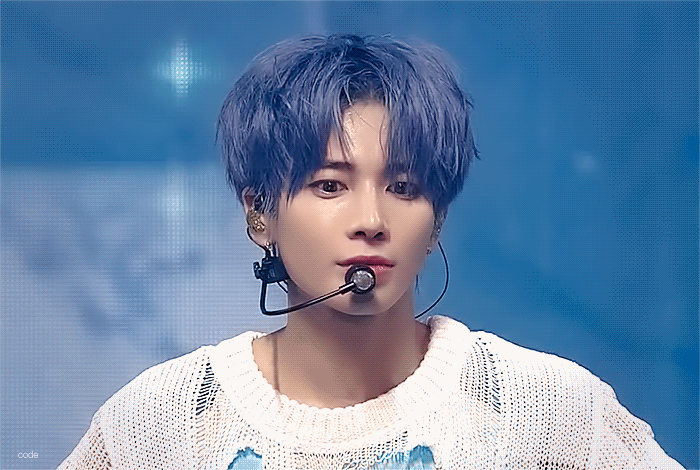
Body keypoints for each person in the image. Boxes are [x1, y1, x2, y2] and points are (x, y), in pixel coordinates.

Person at [58, 34, 683, 470]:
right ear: (259, 214)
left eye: (404, 188)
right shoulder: (165, 421)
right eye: (330, 186)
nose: (372, 221)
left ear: (436, 221)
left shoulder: (544, 410)